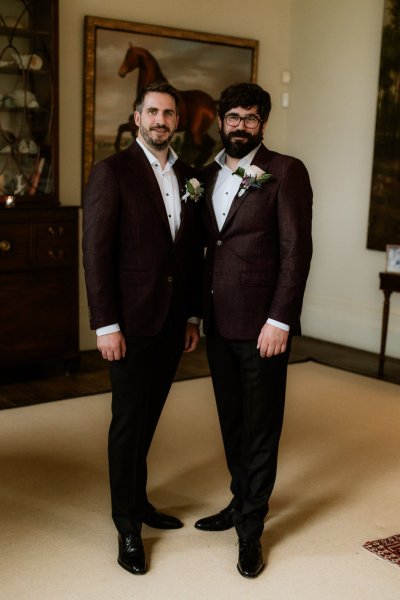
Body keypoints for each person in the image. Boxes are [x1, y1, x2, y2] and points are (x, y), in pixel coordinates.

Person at [82, 81, 202, 575]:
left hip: (173, 322)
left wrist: (192, 315)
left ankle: (141, 502)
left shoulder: (189, 175)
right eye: (152, 111)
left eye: (169, 113)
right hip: (128, 324)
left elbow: (191, 254)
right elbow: (96, 254)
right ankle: (126, 525)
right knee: (128, 421)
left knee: (149, 418)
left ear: (176, 121)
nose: (161, 120)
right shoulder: (112, 173)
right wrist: (106, 326)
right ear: (137, 117)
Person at [195, 82, 313, 578]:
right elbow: (206, 250)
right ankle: (239, 501)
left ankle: (251, 532)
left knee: (261, 427)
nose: (239, 125)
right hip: (219, 323)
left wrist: (280, 319)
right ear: (221, 121)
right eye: (233, 117)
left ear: (263, 122)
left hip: (264, 326)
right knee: (231, 421)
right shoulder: (202, 175)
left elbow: (296, 251)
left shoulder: (285, 172)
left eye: (249, 117)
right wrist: (195, 315)